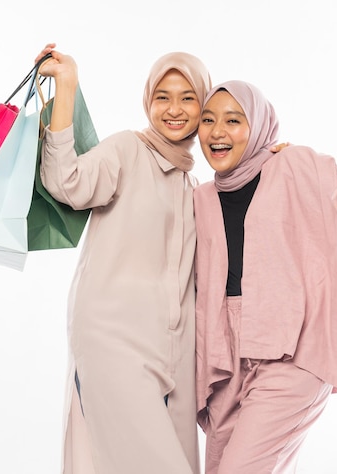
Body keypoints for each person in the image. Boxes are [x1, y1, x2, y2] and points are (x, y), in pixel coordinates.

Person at [193, 62, 337, 473]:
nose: (216, 132)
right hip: (225, 360)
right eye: (207, 120)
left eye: (233, 120)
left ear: (260, 125)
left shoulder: (293, 166)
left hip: (293, 353)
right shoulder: (199, 197)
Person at [34, 43, 211, 474]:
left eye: (188, 98)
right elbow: (66, 181)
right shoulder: (127, 150)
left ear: (203, 106)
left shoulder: (195, 187)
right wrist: (67, 86)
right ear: (148, 101)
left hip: (173, 351)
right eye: (162, 97)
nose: (174, 109)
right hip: (113, 337)